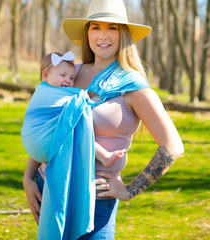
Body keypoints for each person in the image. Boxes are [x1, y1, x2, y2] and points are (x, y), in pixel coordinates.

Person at [23, 0, 184, 239]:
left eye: (112, 27)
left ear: (124, 34)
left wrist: (130, 190)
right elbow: (50, 125)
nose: (102, 35)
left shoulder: (133, 87)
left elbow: (173, 146)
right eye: (95, 27)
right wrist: (28, 177)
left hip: (96, 199)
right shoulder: (69, 74)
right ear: (87, 33)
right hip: (52, 188)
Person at [21, 51, 127, 171]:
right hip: (40, 140)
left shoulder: (44, 89)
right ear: (45, 75)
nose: (68, 80)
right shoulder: (47, 93)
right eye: (63, 75)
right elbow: (81, 99)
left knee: (73, 126)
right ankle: (103, 156)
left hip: (33, 144)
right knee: (78, 128)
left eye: (71, 77)